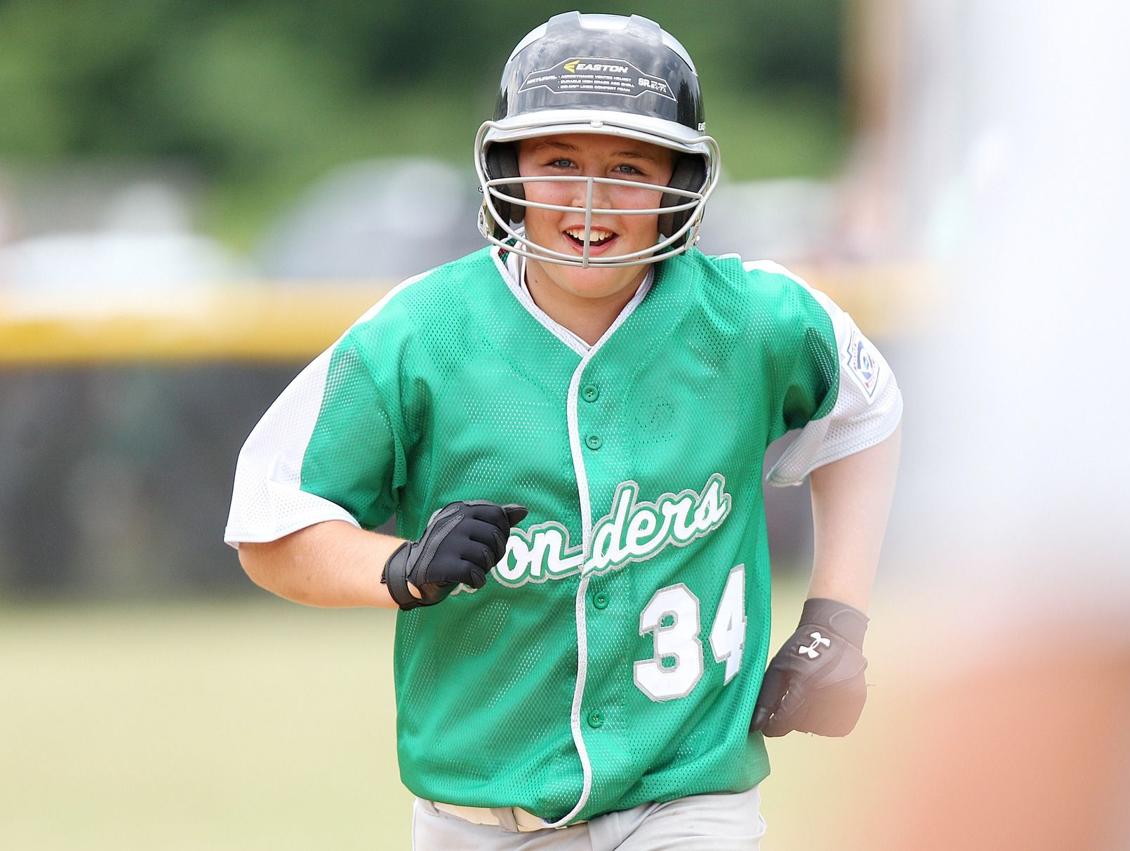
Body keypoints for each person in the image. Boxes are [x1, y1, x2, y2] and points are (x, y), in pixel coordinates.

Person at [225, 12, 902, 849]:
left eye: (627, 166)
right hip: (478, 812)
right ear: (506, 170)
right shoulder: (419, 335)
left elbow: (867, 411)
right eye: (558, 163)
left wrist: (838, 618)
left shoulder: (753, 319)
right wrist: (395, 565)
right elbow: (269, 523)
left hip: (687, 792)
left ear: (680, 182)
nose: (590, 198)